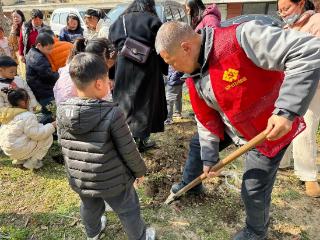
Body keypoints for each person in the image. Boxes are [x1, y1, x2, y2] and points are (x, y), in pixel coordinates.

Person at [155, 21, 320, 240]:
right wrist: (209, 158)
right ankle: (191, 185)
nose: (174, 69)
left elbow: (309, 49)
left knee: (253, 187)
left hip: (269, 129)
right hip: (233, 124)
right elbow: (206, 120)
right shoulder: (195, 74)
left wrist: (287, 109)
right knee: (198, 147)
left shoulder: (242, 38)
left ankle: (256, 231)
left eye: (172, 62)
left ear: (186, 47)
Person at [57, 53, 155, 240]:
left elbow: (64, 145)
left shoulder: (61, 110)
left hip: (81, 179)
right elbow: (128, 149)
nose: (110, 83)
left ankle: (92, 234)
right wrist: (139, 171)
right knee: (128, 210)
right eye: (107, 79)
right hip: (113, 180)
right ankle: (140, 237)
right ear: (99, 84)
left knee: (89, 207)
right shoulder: (112, 113)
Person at [109, 0, 168, 152]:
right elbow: (162, 46)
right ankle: (141, 140)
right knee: (146, 104)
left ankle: (125, 140)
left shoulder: (120, 20)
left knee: (125, 102)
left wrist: (111, 73)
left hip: (124, 65)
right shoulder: (153, 20)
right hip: (148, 66)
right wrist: (164, 68)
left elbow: (112, 46)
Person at [277, 0, 320, 197]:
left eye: (286, 8)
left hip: (311, 85)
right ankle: (283, 162)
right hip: (286, 84)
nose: (283, 13)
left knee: (306, 128)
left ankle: (308, 175)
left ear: (301, 3)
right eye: (280, 11)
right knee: (283, 124)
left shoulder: (316, 22)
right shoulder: (286, 28)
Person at [0, 88, 55, 169]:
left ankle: (19, 160)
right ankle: (32, 163)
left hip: (7, 149)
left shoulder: (7, 113)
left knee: (22, 134)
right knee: (48, 137)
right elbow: (37, 135)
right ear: (23, 102)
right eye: (28, 99)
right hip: (17, 149)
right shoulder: (27, 115)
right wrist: (52, 125)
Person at [53, 37, 116, 105]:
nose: (106, 71)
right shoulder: (80, 75)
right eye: (107, 67)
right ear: (97, 61)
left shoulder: (77, 67)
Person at [26, 32, 59, 124]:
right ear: (39, 45)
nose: (51, 51)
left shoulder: (32, 52)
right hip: (43, 91)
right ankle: (43, 127)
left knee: (46, 110)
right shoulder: (39, 59)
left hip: (38, 87)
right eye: (49, 49)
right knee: (51, 111)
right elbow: (49, 76)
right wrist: (59, 74)